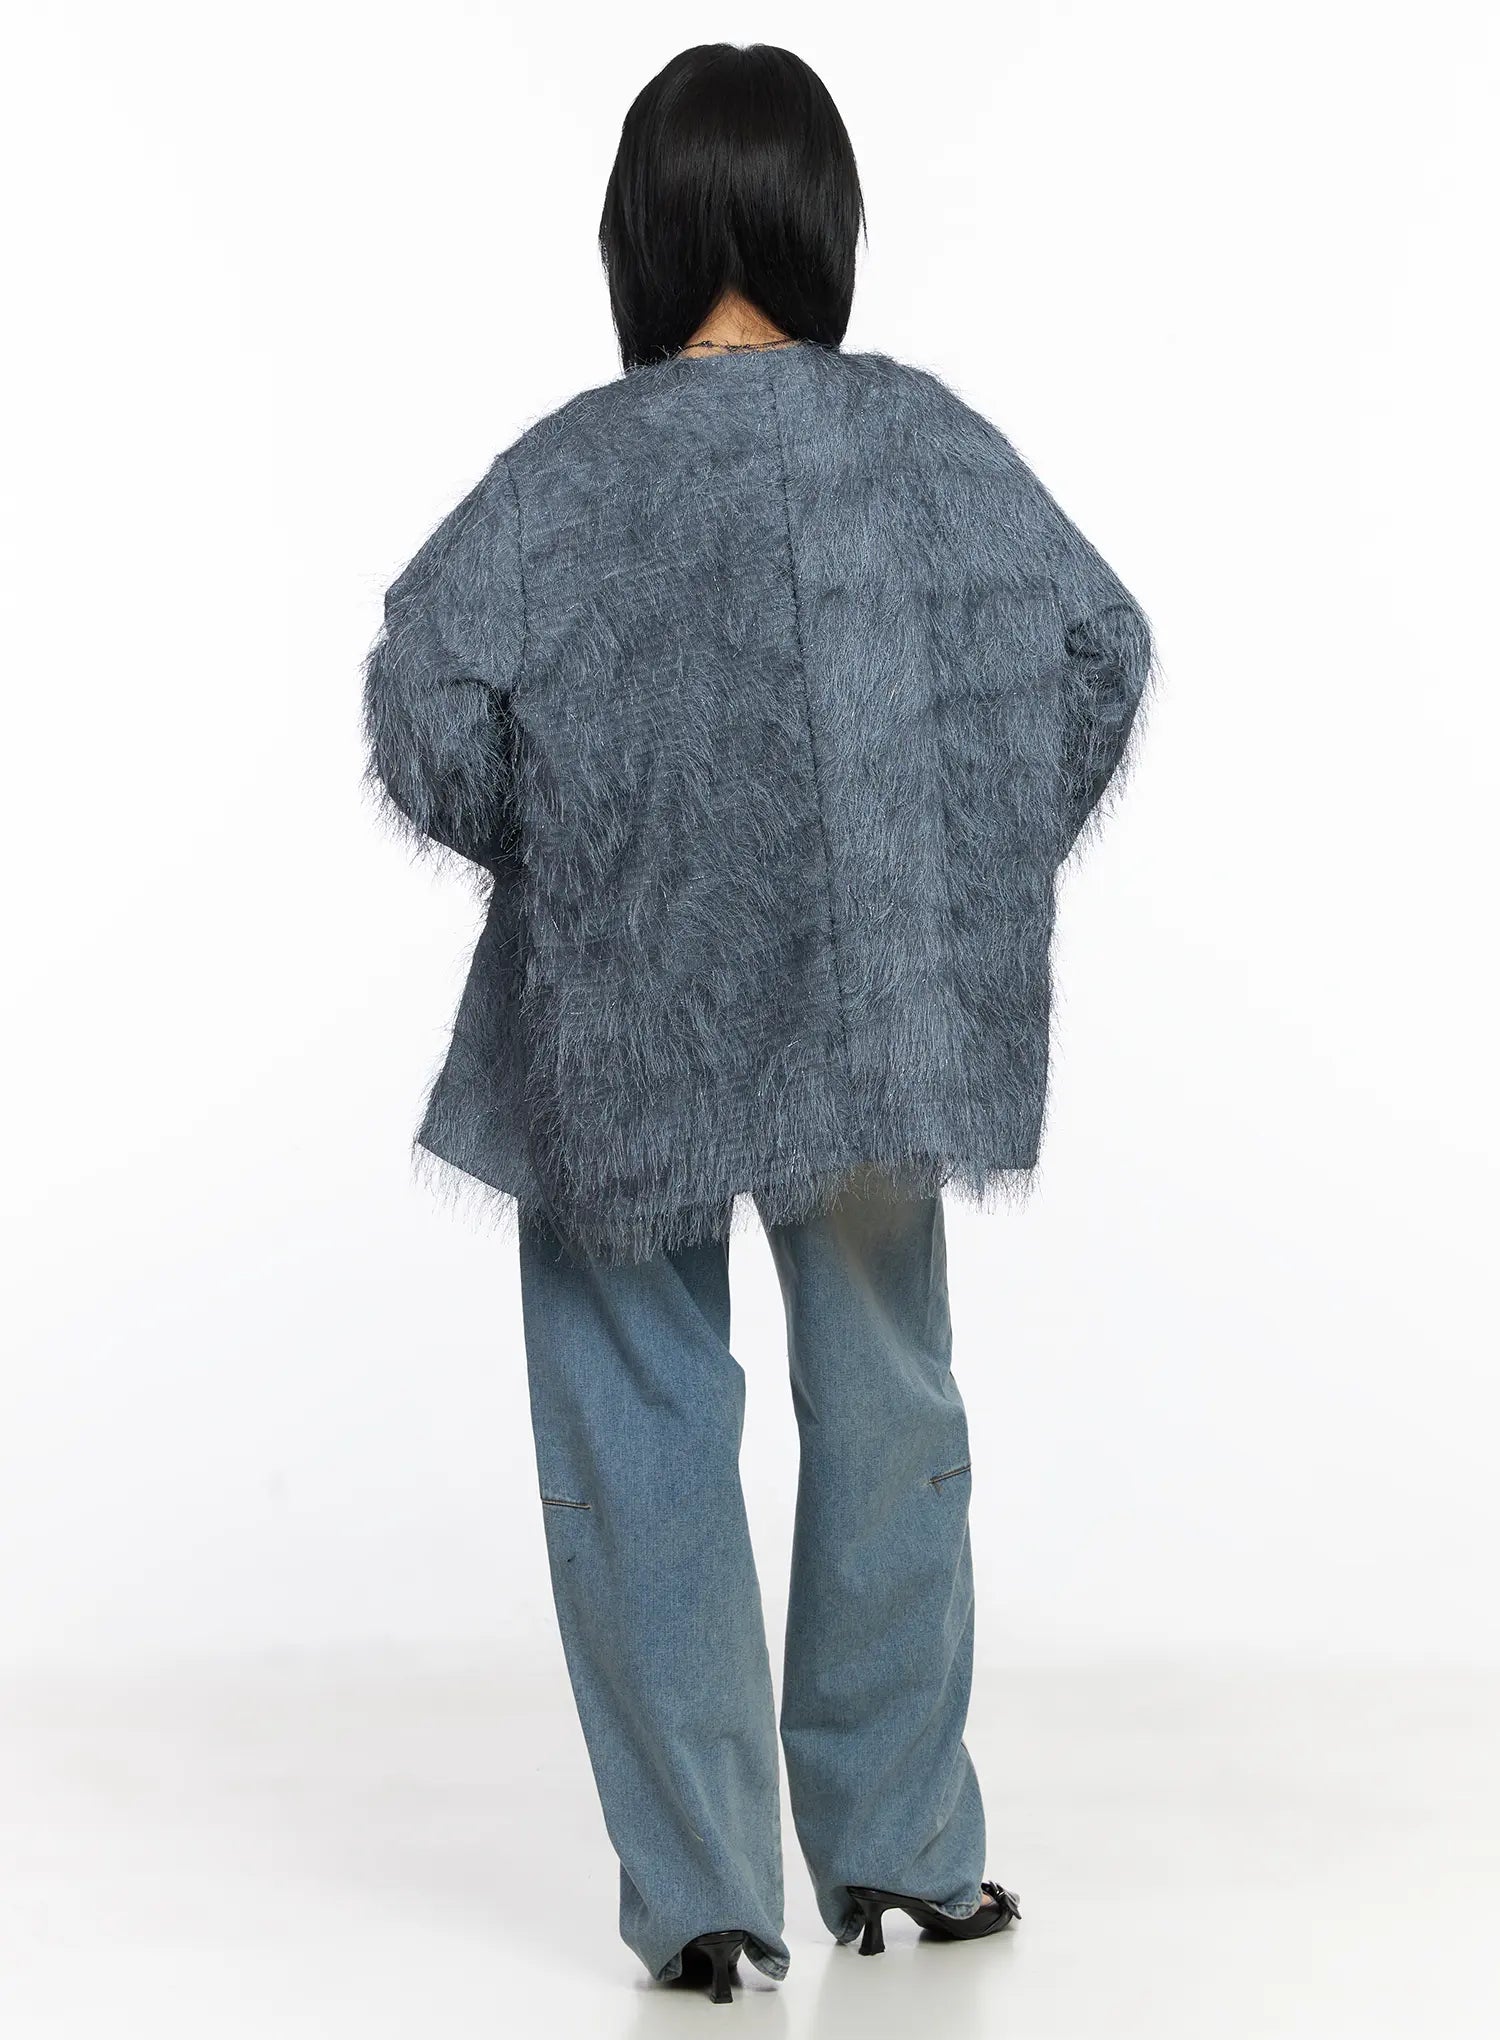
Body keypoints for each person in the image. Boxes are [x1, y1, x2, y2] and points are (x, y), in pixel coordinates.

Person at [363, 41, 1151, 2005]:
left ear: (637, 235)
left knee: (638, 1406)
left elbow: (424, 704)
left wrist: (571, 850)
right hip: (879, 1004)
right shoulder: (929, 441)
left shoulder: (569, 471)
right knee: (888, 1395)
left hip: (620, 1018)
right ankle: (903, 1853)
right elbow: (1097, 648)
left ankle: (709, 1899)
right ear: (824, 227)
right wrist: (953, 856)